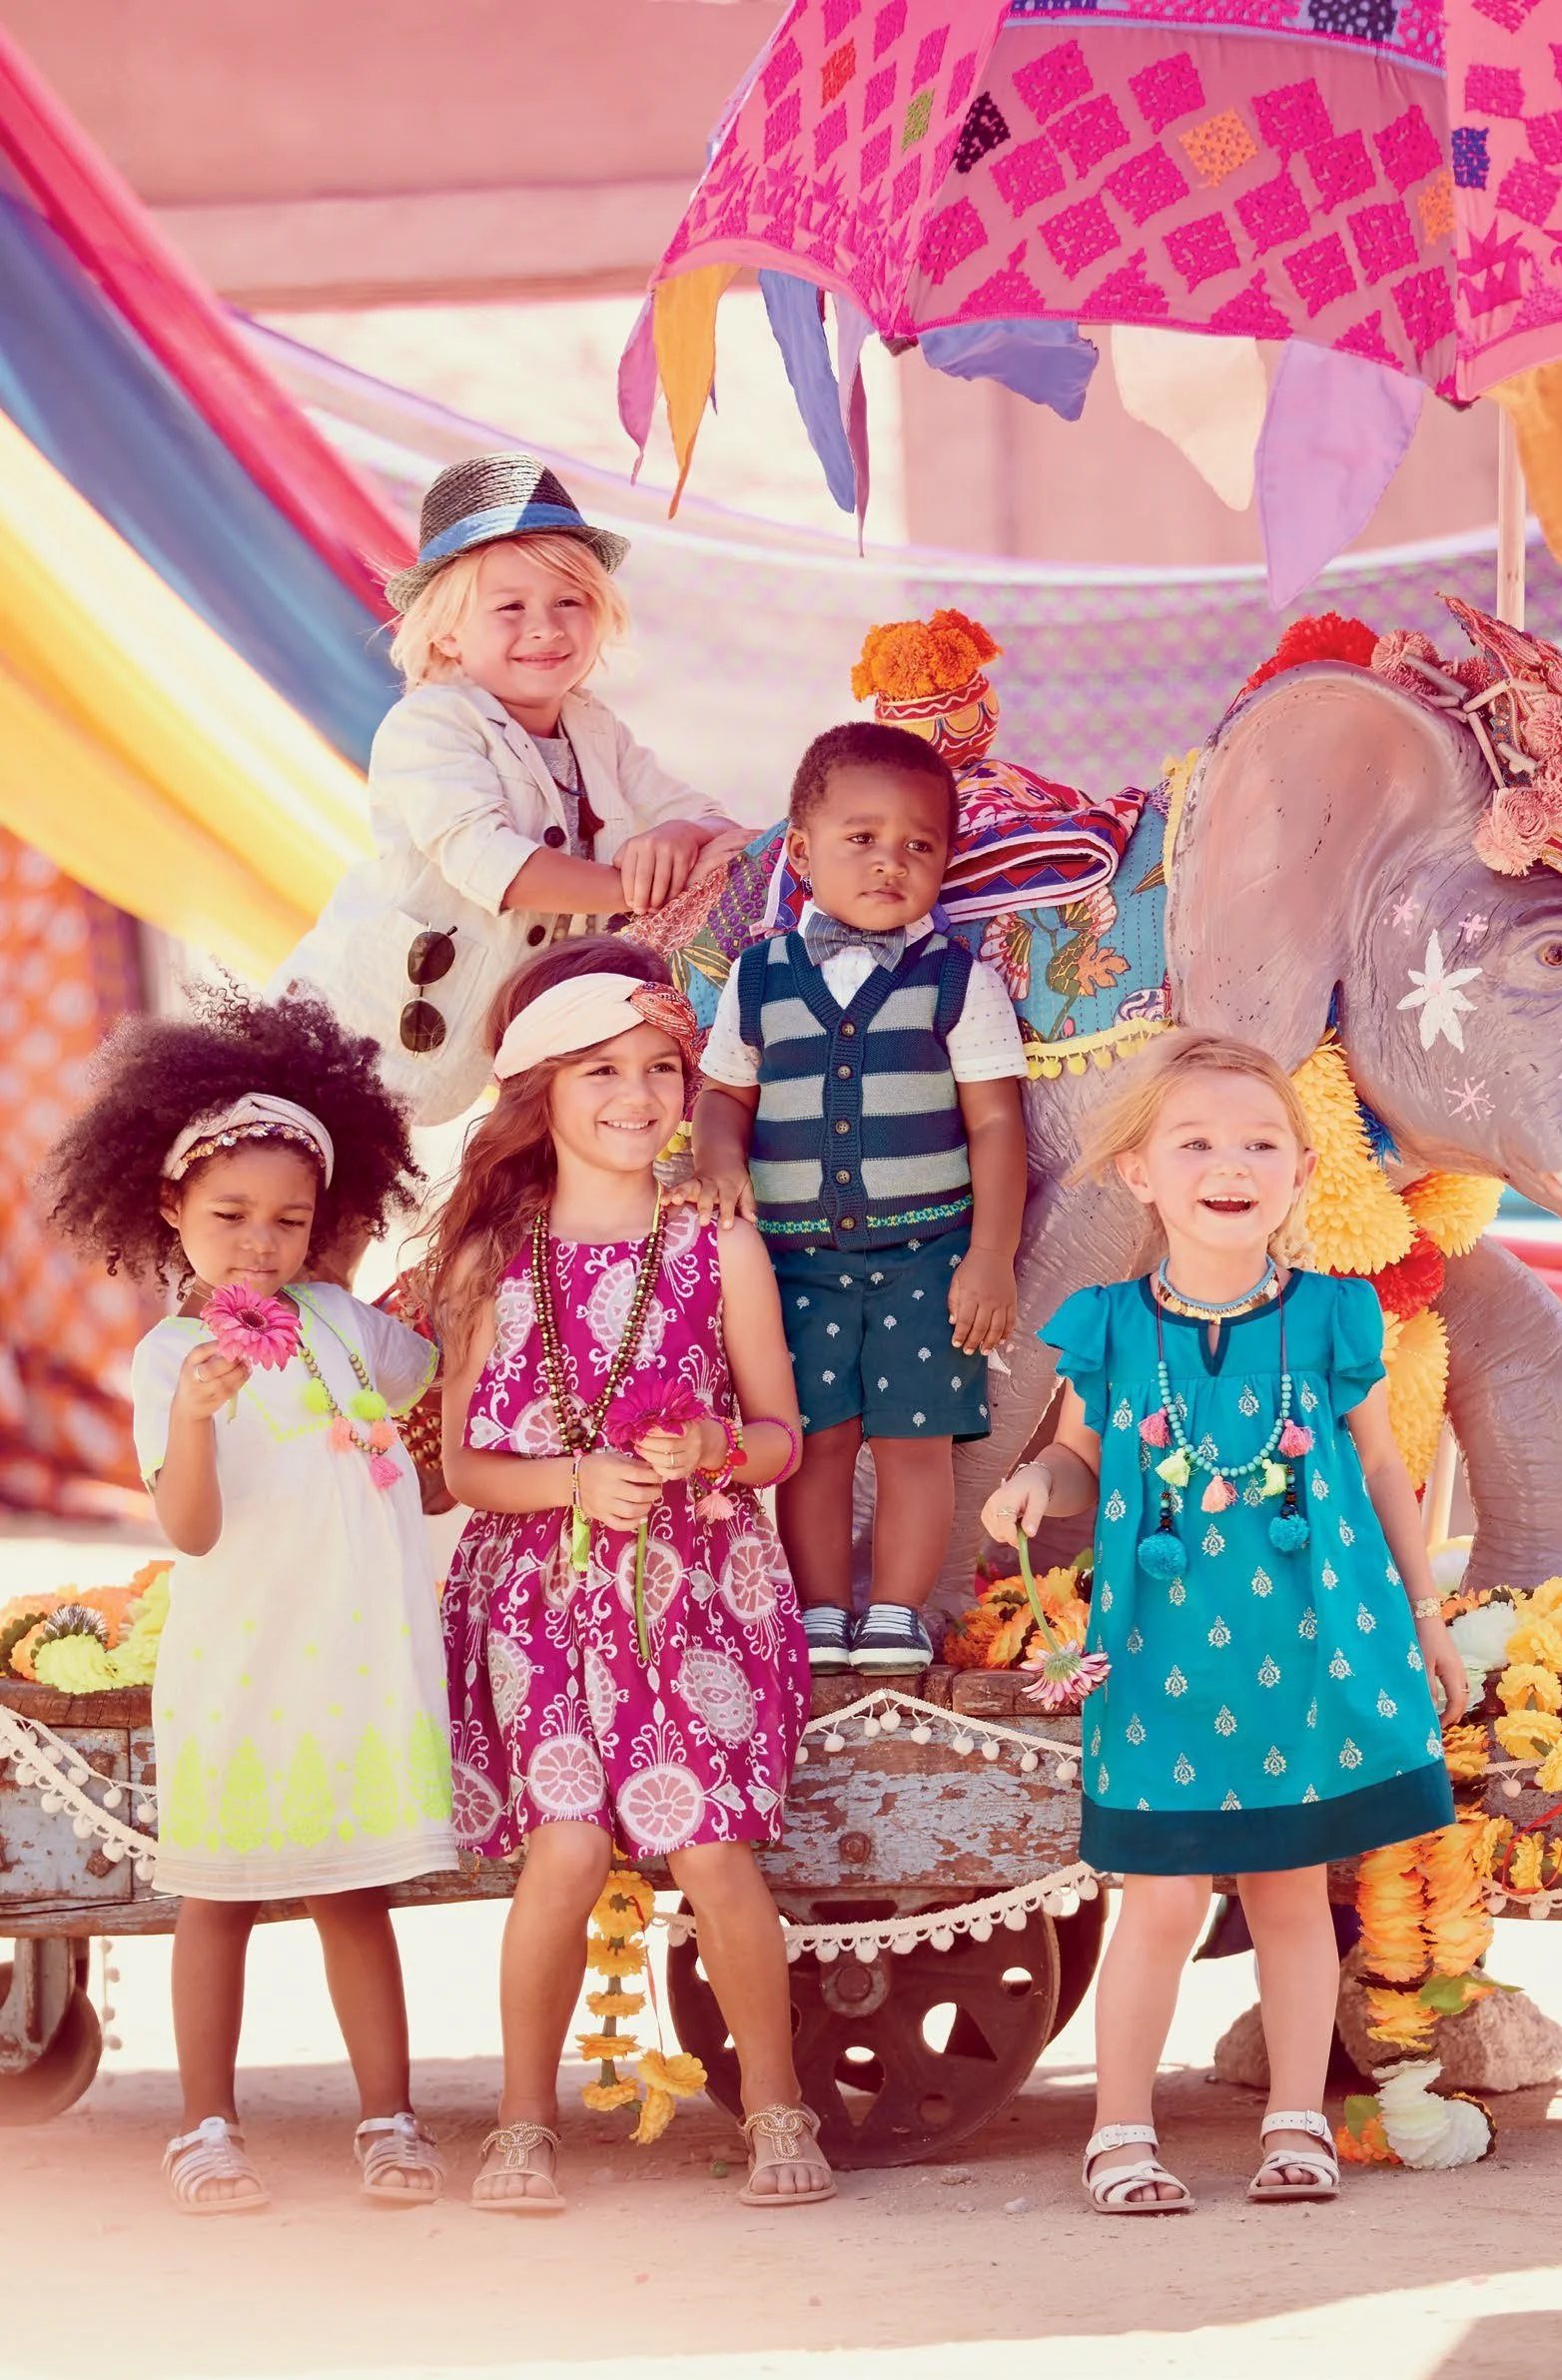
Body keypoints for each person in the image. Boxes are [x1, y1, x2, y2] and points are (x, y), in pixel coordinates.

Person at [980, 1031, 1467, 2213]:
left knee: (1288, 1889)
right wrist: (1037, 1481)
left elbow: (1384, 1470)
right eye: (1193, 1142)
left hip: (1308, 1642)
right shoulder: (1107, 1324)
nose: (1228, 1163)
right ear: (1139, 1173)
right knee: (1161, 1895)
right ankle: (1118, 2130)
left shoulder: (1336, 1316)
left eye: (1257, 1143)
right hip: (1158, 1654)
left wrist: (1425, 1617)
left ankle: (1294, 2121)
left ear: (1302, 1174)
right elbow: (1077, 1458)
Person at [424, 937, 828, 2214]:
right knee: (564, 1844)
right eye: (600, 1068)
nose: (637, 1093)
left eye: (661, 1067)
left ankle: (777, 2104)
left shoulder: (717, 1246)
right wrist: (570, 1482)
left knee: (707, 1847)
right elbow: (465, 1466)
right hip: (537, 1597)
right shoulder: (492, 1258)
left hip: (692, 1592)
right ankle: (521, 2122)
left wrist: (713, 1447)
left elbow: (781, 1437)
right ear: (538, 1087)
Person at [41, 987, 455, 2215]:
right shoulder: (171, 1357)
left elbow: (435, 1362)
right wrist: (193, 1417)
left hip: (355, 1665)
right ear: (169, 1207)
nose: (259, 1243)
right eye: (228, 1215)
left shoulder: (344, 1324)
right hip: (239, 1663)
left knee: (350, 1891)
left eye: (290, 1218)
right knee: (216, 1894)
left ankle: (390, 2118)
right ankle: (206, 2127)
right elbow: (191, 1529)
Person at [689, 722, 1028, 1676]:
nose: (890, 861)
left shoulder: (958, 982)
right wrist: (717, 1158)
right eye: (862, 838)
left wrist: (989, 1255)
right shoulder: (759, 978)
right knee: (815, 1439)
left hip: (929, 1257)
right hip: (793, 1262)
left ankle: (897, 1612)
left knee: (916, 1442)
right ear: (801, 854)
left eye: (919, 844)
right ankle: (820, 1610)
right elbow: (723, 1095)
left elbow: (996, 1125)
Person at [275, 452, 745, 1127]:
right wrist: (634, 890)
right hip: (345, 1031)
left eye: (569, 602)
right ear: (447, 631)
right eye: (510, 608)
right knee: (303, 1175)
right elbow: (491, 862)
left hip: (464, 1060)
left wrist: (679, 832)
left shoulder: (595, 730)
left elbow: (714, 823)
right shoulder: (431, 725)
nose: (545, 627)